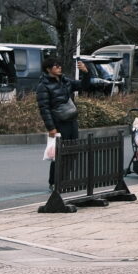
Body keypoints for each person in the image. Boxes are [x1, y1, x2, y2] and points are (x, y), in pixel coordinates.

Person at [34, 58, 81, 187]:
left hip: (71, 120)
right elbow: (44, 109)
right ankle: (54, 181)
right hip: (59, 123)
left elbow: (82, 85)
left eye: (60, 66)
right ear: (48, 69)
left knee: (72, 152)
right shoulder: (43, 86)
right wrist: (51, 128)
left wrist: (86, 73)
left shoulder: (65, 81)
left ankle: (65, 180)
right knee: (59, 154)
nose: (59, 68)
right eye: (56, 66)